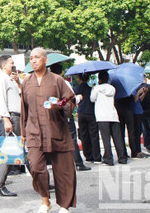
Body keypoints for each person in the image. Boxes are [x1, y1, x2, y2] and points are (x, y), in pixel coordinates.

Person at [21, 48, 77, 213]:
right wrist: (23, 133)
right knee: (36, 166)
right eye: (31, 58)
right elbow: (24, 109)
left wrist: (60, 104)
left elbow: (70, 102)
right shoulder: (26, 82)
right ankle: (45, 201)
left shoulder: (57, 80)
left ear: (45, 60)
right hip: (33, 131)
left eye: (37, 57)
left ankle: (65, 206)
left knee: (64, 169)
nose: (33, 61)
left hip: (55, 129)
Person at [49, 63, 90, 171]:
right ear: (61, 72)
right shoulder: (63, 82)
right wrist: (78, 97)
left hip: (52, 115)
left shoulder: (47, 84)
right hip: (65, 114)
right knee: (72, 139)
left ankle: (60, 164)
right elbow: (70, 98)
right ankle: (78, 163)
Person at [0, 55, 21, 197]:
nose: (13, 65)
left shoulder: (11, 80)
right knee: (12, 152)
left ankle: (42, 181)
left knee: (22, 150)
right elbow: (1, 99)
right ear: (4, 65)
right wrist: (6, 118)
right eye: (11, 63)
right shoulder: (2, 79)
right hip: (12, 117)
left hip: (17, 117)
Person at [90, 70, 128, 166]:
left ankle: (108, 159)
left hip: (102, 116)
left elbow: (92, 99)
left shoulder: (96, 88)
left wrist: (94, 88)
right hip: (113, 115)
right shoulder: (112, 88)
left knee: (106, 139)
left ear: (99, 79)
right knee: (117, 138)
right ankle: (122, 158)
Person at [72, 74, 100, 163]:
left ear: (79, 78)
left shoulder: (76, 89)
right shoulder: (91, 88)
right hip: (91, 113)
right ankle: (96, 157)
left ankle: (88, 156)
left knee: (84, 135)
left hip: (81, 113)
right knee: (94, 135)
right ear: (88, 79)